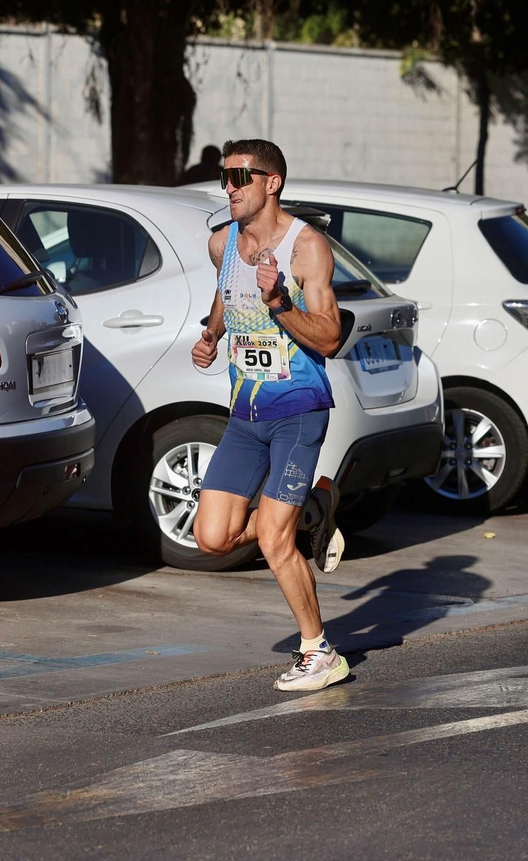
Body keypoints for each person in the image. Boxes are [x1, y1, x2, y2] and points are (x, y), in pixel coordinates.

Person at [191, 138, 349, 692]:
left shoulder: (306, 248)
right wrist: (211, 335)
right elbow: (224, 294)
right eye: (224, 177)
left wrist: (281, 303)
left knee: (274, 541)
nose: (229, 187)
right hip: (245, 412)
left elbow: (329, 338)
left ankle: (319, 651)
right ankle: (313, 509)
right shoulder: (222, 243)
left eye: (239, 176)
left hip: (299, 410)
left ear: (271, 182)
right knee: (211, 537)